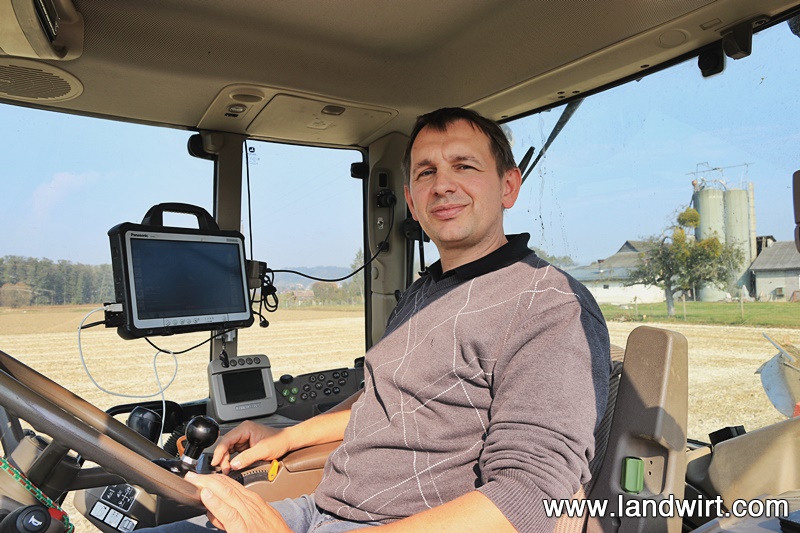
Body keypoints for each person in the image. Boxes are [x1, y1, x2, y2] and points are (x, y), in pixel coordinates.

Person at [148, 107, 611, 533]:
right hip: (320, 510)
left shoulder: (549, 305)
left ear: (509, 186)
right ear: (412, 202)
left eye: (464, 166)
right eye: (427, 172)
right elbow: (382, 403)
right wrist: (285, 435)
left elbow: (528, 498)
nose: (443, 185)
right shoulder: (425, 292)